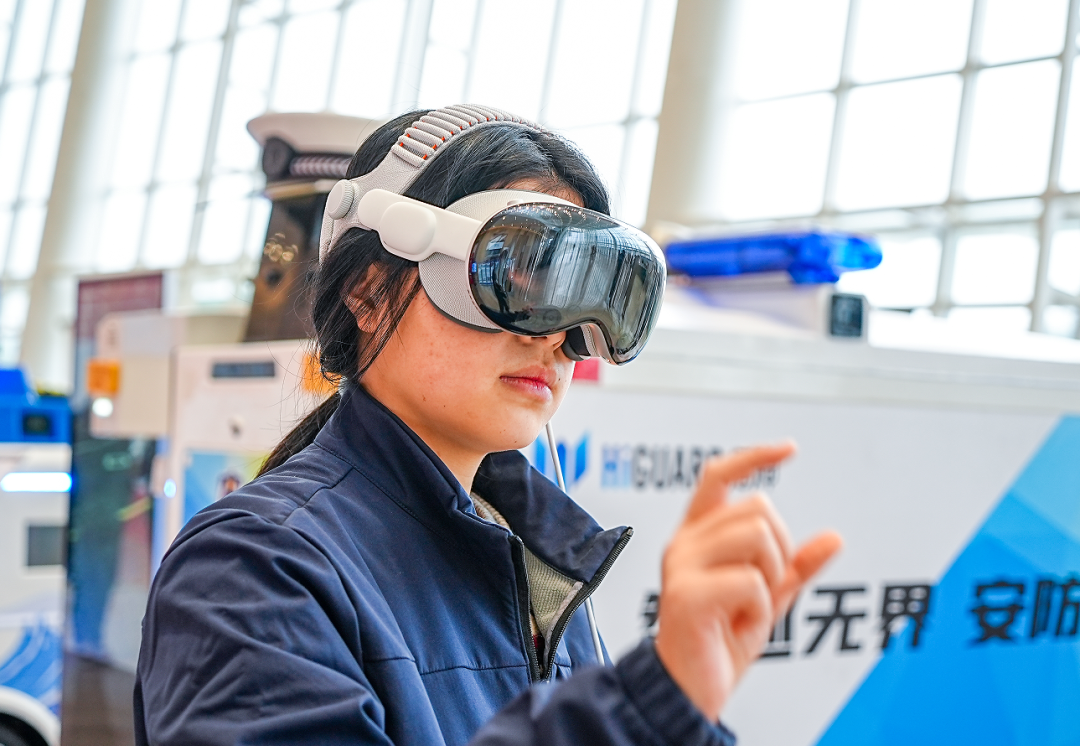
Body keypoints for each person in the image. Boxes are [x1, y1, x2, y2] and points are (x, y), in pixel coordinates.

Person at [134, 105, 842, 746]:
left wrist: (676, 713)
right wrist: (641, 708)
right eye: (515, 281)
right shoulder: (253, 569)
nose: (556, 339)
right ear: (369, 294)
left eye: (585, 297)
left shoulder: (534, 560)